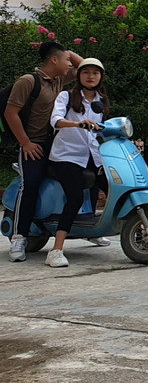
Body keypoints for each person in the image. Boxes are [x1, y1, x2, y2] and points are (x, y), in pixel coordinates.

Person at [5, 40, 83, 262]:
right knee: (30, 184)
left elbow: (85, 68)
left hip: (57, 144)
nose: (70, 63)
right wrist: (26, 143)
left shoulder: (58, 79)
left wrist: (68, 52)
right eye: (66, 60)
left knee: (83, 175)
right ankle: (19, 237)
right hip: (34, 145)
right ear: (53, 60)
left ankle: (85, 228)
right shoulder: (28, 81)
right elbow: (11, 113)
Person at [44, 58, 111, 268]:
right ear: (79, 76)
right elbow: (55, 120)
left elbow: (101, 128)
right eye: (86, 72)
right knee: (75, 197)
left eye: (95, 73)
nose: (91, 76)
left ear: (101, 77)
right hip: (67, 156)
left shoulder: (101, 100)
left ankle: (95, 230)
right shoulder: (66, 96)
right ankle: (56, 250)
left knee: (112, 188)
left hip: (92, 156)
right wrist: (77, 123)